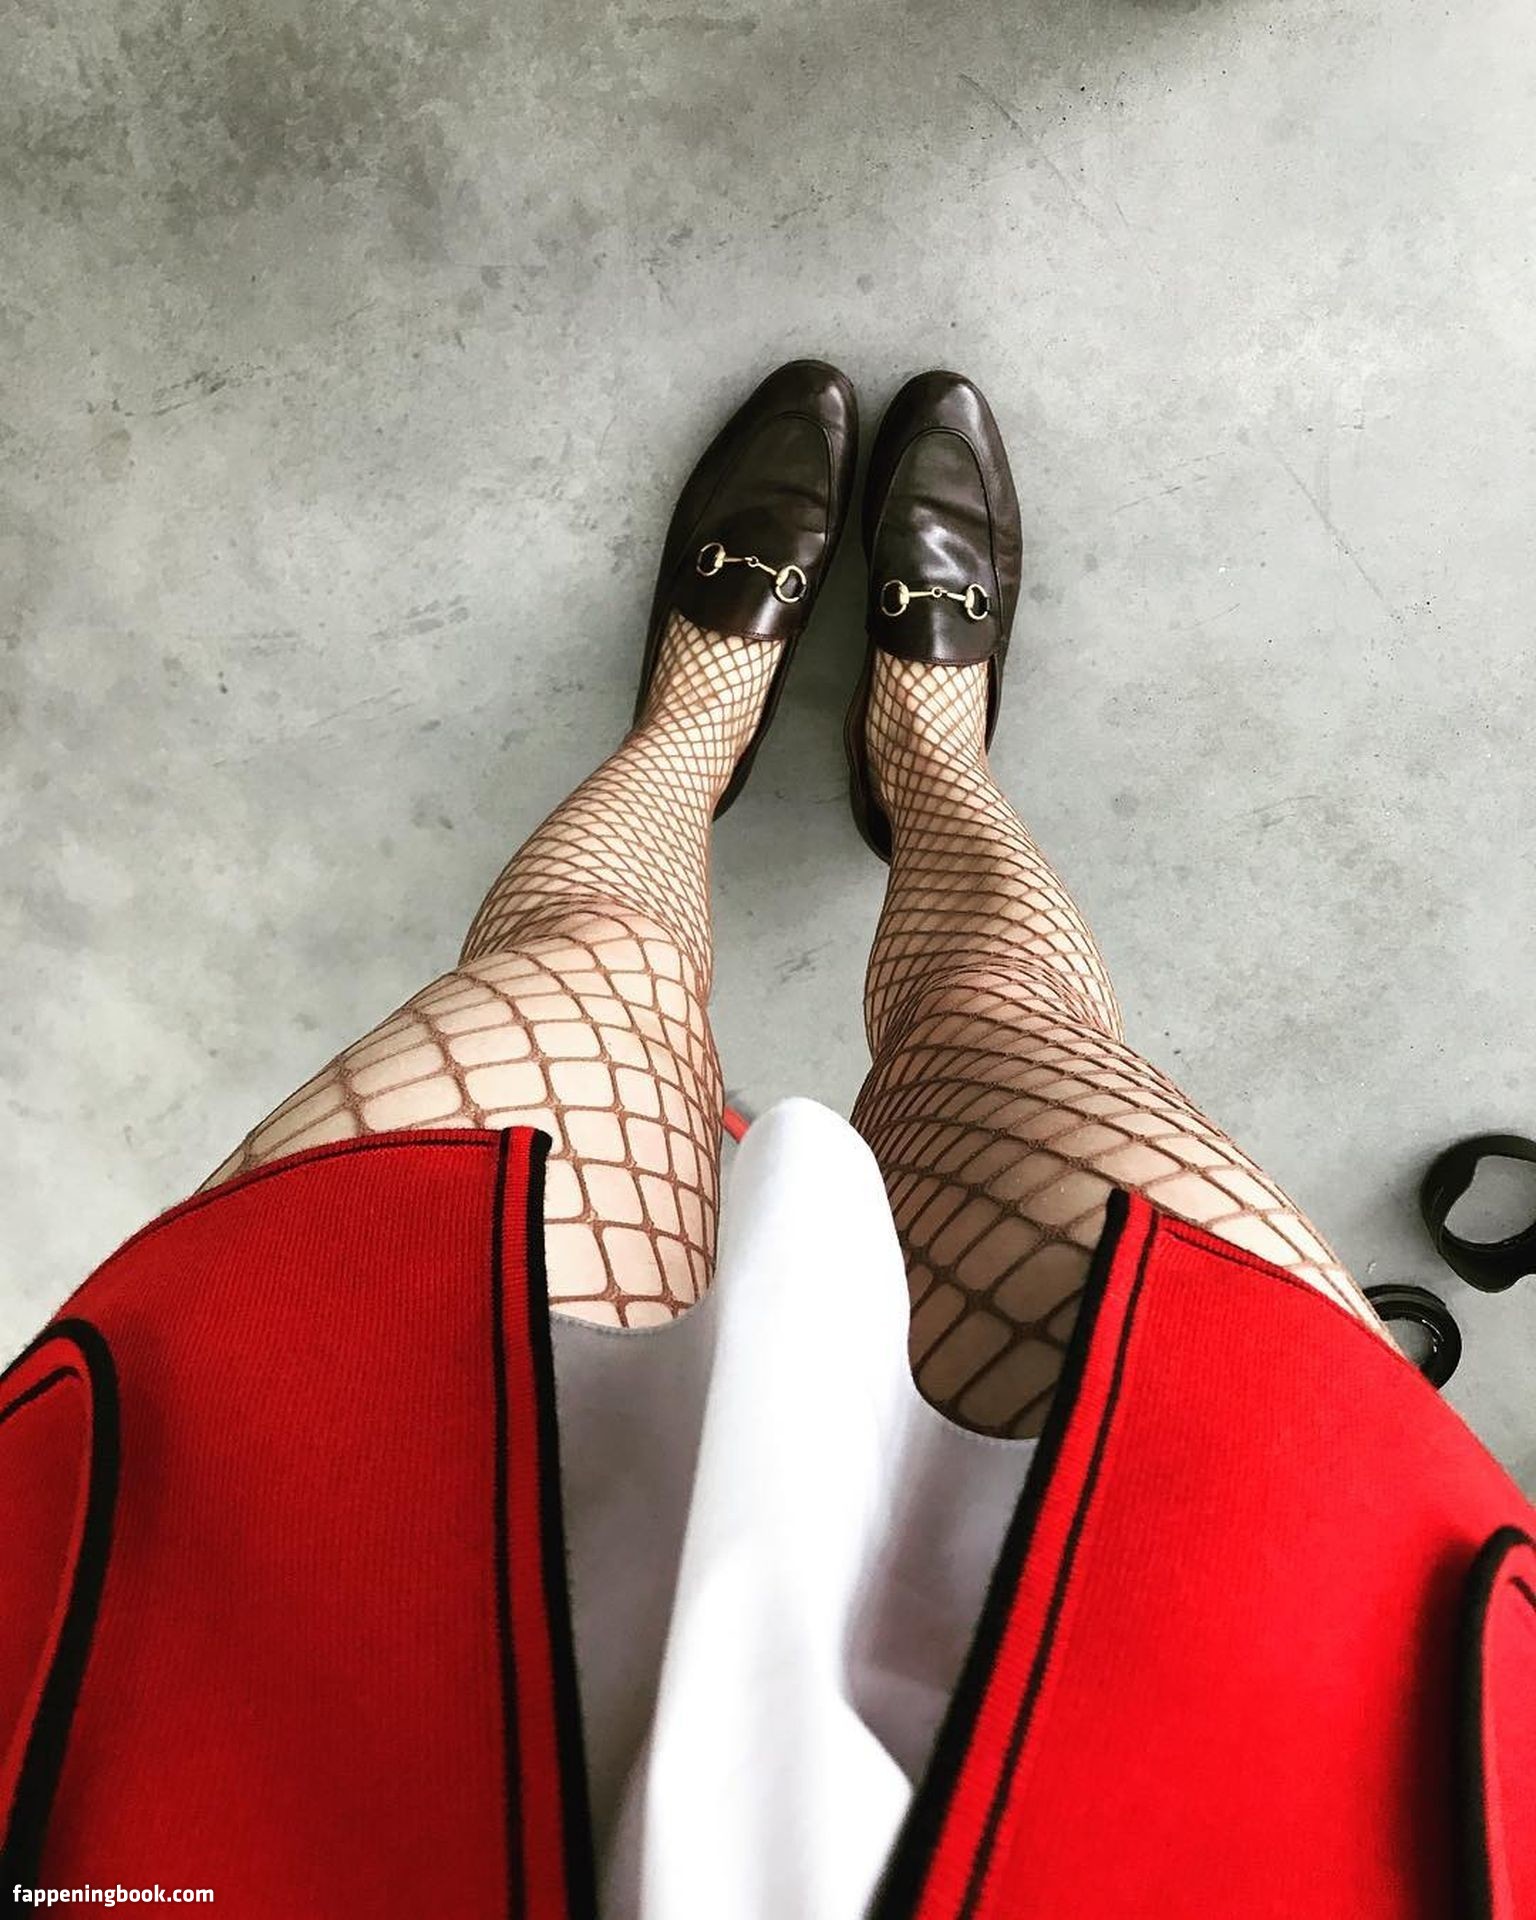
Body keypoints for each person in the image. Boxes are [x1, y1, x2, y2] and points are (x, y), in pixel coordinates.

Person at [2, 363, 1531, 1918]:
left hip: (302, 1737)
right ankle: (931, 757)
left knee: (592, 959)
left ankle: (695, 724)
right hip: (1250, 1773)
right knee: (995, 1017)